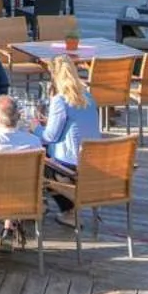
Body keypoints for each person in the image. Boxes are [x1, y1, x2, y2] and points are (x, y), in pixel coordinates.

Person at [36, 55, 104, 218]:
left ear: (55, 77)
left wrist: (35, 127)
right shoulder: (88, 96)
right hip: (92, 160)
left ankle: (68, 211)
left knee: (39, 162)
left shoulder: (60, 100)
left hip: (71, 164)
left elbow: (49, 137)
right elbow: (75, 124)